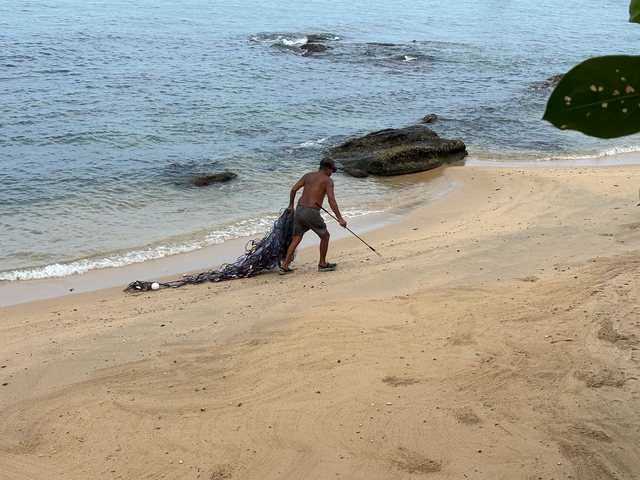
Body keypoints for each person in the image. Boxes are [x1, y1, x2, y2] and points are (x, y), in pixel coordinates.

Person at [280, 158, 347, 274]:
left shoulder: (308, 175)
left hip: (299, 209)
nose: (332, 173)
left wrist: (291, 205)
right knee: (325, 236)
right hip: (311, 211)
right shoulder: (328, 181)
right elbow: (331, 200)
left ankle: (285, 266)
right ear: (327, 169)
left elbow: (294, 189)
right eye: (332, 170)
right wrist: (340, 218)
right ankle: (322, 264)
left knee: (296, 238)